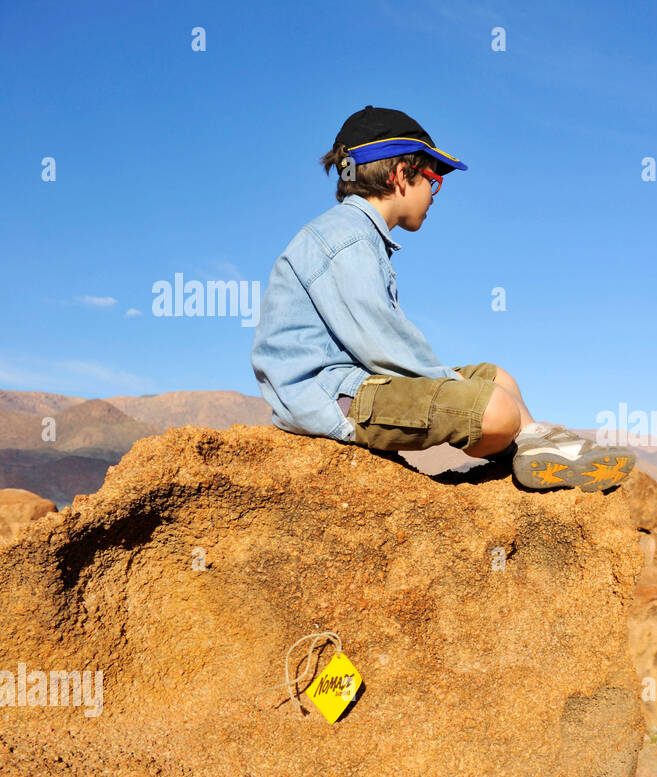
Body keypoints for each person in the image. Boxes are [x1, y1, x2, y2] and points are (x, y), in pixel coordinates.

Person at [251, 105, 636, 492]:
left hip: (356, 385)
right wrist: (455, 387)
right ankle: (531, 444)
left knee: (497, 378)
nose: (434, 195)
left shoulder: (355, 234)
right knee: (495, 407)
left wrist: (462, 385)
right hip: (333, 399)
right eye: (433, 180)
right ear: (402, 175)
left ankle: (538, 444)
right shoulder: (345, 239)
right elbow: (382, 342)